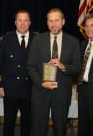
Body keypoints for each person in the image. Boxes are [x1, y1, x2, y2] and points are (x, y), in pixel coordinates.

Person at [27, 8, 81, 136]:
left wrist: (63, 66)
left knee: (60, 130)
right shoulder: (37, 40)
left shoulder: (73, 42)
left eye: (56, 20)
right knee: (38, 129)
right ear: (47, 23)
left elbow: (77, 67)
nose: (53, 24)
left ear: (63, 21)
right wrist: (41, 83)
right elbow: (30, 67)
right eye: (50, 21)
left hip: (62, 94)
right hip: (40, 92)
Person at [0, 10, 35, 136]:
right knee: (8, 124)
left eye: (25, 20)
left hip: (30, 90)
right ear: (15, 22)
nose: (22, 23)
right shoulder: (6, 39)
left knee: (27, 124)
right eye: (19, 20)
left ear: (29, 23)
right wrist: (0, 84)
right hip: (10, 89)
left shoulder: (37, 40)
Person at [77, 13, 93, 136]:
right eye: (86, 26)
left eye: (92, 25)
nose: (88, 29)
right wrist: (78, 88)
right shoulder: (83, 45)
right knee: (83, 125)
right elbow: (81, 69)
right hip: (83, 91)